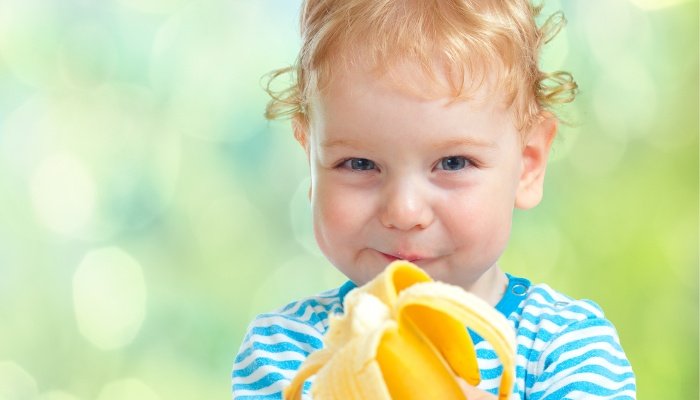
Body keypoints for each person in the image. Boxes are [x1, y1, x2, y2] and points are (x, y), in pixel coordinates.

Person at [232, 0, 636, 398]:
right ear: (311, 159)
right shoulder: (286, 353)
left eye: (453, 162)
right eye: (358, 163)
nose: (404, 212)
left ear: (527, 165)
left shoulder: (568, 347)